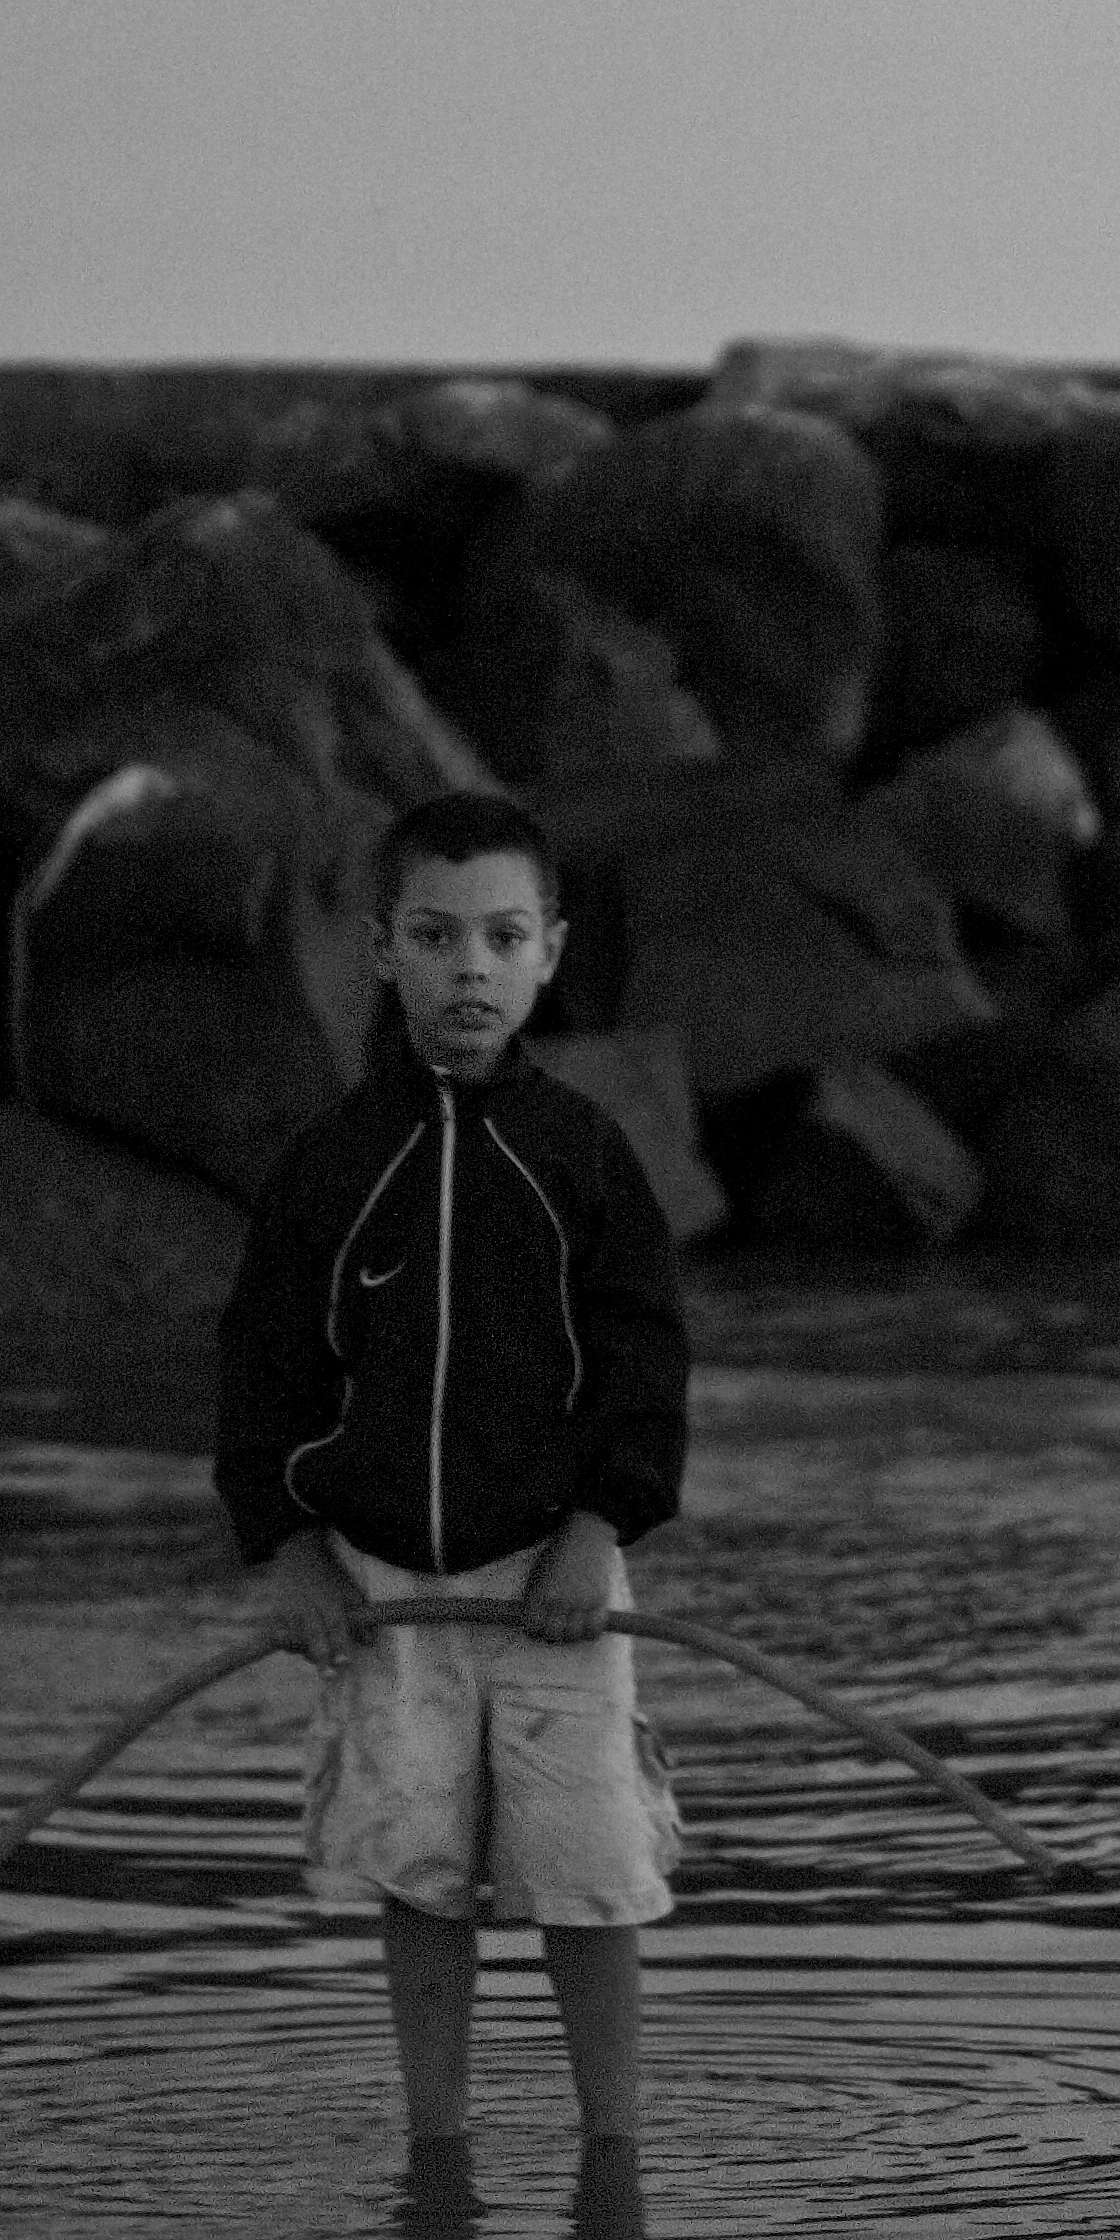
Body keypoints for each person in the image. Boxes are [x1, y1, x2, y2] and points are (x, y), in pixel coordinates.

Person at [218, 788, 692, 2163]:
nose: (468, 967)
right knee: (418, 1867)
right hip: (382, 1592)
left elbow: (645, 1371)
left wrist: (602, 1534)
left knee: (592, 1875)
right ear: (382, 953)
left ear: (549, 949)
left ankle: (616, 2149)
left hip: (556, 1583)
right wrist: (290, 1550)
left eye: (499, 936)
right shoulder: (327, 1170)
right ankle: (439, 2143)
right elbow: (263, 1381)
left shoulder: (587, 1163)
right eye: (435, 936)